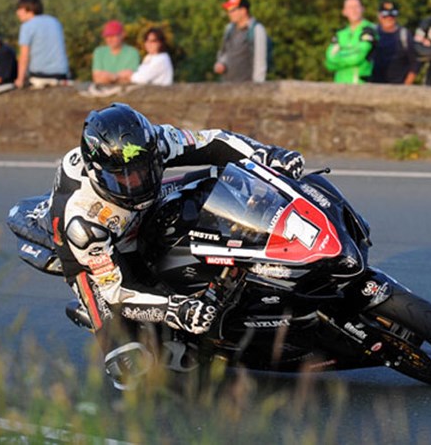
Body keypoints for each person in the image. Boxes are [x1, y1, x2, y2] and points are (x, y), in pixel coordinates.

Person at [49, 103, 304, 388]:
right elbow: (116, 289)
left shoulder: (155, 143)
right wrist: (176, 309)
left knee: (217, 183)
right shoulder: (84, 222)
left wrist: (269, 155)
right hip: (94, 247)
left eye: (145, 171)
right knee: (128, 359)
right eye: (125, 177)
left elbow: (214, 141)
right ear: (98, 172)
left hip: (141, 209)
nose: (137, 182)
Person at [14, 0, 69, 88]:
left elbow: (24, 56)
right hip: (62, 74)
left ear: (29, 9)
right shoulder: (55, 22)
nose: (17, 13)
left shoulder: (27, 26)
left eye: (19, 9)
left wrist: (20, 79)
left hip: (40, 76)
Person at [214, 0, 268, 82]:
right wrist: (221, 63)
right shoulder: (229, 29)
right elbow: (224, 52)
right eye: (228, 11)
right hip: (227, 86)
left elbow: (260, 62)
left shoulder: (257, 29)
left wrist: (257, 88)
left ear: (243, 10)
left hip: (247, 88)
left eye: (232, 10)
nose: (229, 14)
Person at [325, 0, 377, 84]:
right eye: (350, 7)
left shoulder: (369, 30)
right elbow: (329, 62)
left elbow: (357, 57)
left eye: (356, 7)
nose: (354, 10)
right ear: (344, 12)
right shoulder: (340, 34)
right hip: (339, 85)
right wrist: (351, 52)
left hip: (361, 85)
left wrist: (339, 55)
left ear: (362, 9)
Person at [371, 0, 419, 84]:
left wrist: (405, 87)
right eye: (385, 15)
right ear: (379, 16)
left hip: (398, 87)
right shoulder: (372, 33)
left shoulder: (404, 35)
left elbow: (414, 64)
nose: (389, 18)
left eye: (392, 15)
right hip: (373, 85)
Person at [92, 20, 141, 85]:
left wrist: (109, 77)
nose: (110, 39)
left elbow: (131, 78)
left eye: (113, 36)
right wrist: (118, 77)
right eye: (107, 36)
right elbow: (97, 79)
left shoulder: (133, 53)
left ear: (122, 35)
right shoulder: (99, 52)